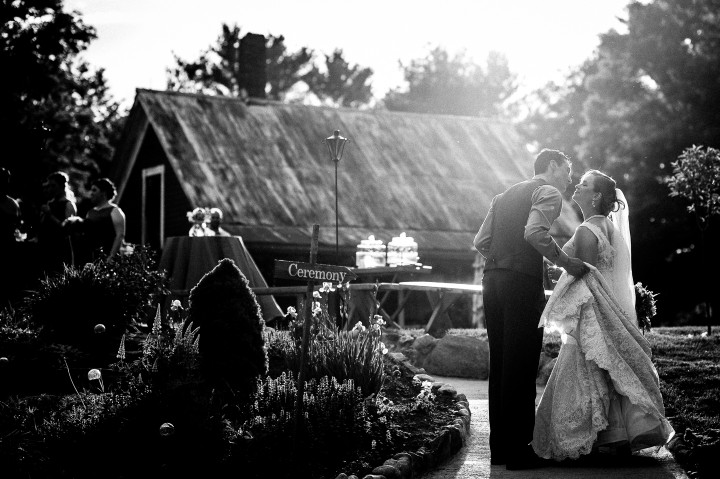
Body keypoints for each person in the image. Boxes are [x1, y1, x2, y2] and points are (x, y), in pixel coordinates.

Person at [532, 170, 674, 461]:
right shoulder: (610, 229)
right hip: (609, 306)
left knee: (589, 366)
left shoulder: (586, 230)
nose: (577, 186)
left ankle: (598, 437)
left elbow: (585, 274)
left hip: (593, 307)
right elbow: (603, 270)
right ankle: (618, 435)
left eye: (584, 184)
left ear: (596, 196)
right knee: (610, 365)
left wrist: (557, 271)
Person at [473, 148, 589, 470]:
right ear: (551, 166)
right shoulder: (547, 192)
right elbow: (534, 232)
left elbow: (481, 242)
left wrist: (505, 261)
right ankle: (520, 452)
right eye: (567, 170)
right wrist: (565, 263)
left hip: (492, 279)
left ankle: (500, 451)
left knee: (500, 362)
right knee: (522, 362)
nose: (570, 178)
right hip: (519, 284)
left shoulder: (503, 195)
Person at [67, 178, 126, 263]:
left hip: (108, 257)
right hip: (92, 257)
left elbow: (120, 235)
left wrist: (111, 256)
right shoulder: (90, 212)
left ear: (103, 193)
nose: (91, 193)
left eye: (94, 190)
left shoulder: (115, 211)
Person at [38, 171, 77, 274]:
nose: (50, 189)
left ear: (62, 186)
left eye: (53, 185)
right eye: (49, 185)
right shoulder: (50, 203)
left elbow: (67, 230)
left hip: (58, 250)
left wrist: (50, 215)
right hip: (44, 247)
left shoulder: (68, 205)